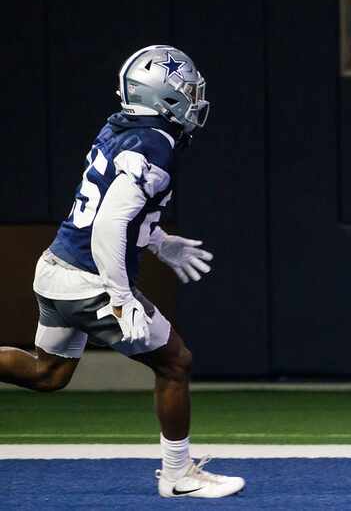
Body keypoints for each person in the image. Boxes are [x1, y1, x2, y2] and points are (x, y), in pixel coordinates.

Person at [0, 45, 245, 498]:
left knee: (47, 373)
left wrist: (159, 241)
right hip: (88, 280)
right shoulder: (156, 143)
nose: (194, 100)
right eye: (186, 91)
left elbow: (121, 212)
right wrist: (121, 296)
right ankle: (178, 475)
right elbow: (111, 222)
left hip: (56, 267)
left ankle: (179, 473)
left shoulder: (123, 128)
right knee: (175, 362)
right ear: (162, 97)